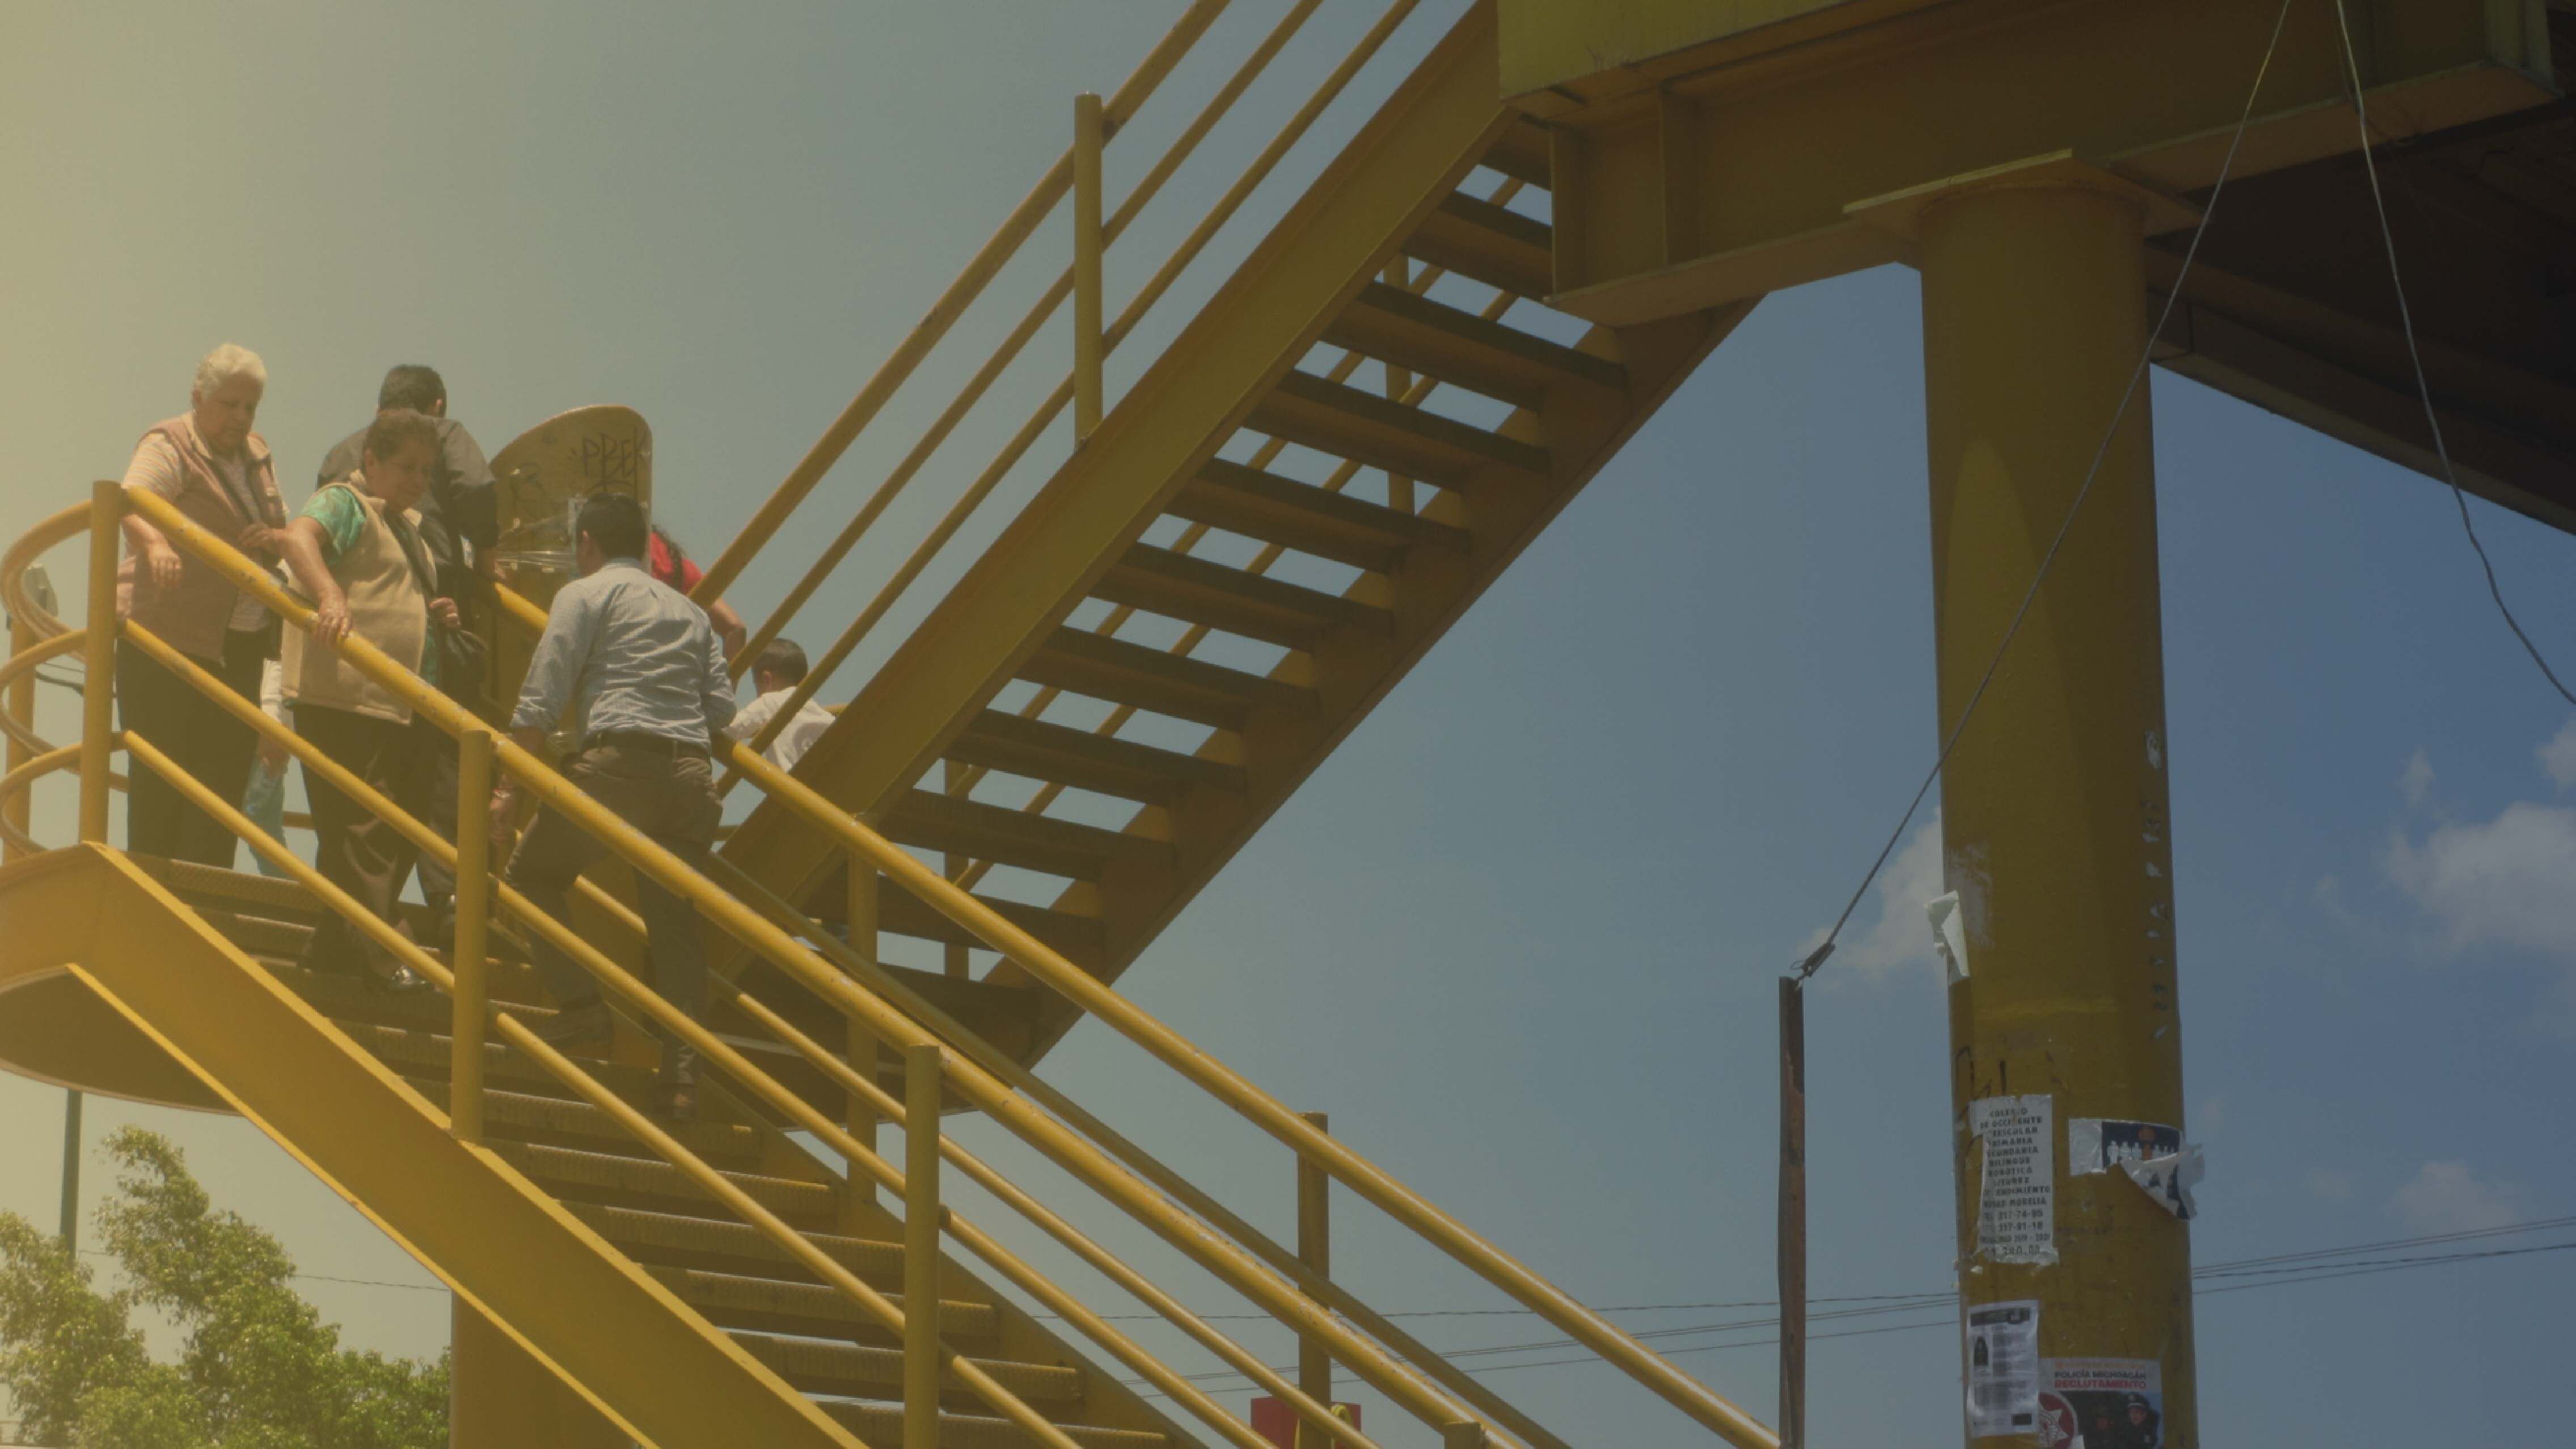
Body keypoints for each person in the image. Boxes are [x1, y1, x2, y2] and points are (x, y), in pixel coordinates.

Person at [496, 493, 733, 1119]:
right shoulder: (693, 614)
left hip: (619, 763)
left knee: (529, 876)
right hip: (690, 775)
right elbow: (722, 712)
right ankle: (682, 1082)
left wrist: (505, 788)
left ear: (586, 543)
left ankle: (583, 1010)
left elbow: (542, 695)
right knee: (676, 933)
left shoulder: (585, 594)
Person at [273, 409, 457, 992]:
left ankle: (332, 944)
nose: (417, 480)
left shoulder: (413, 530)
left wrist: (435, 614)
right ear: (371, 461)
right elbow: (297, 538)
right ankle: (386, 952)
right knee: (364, 826)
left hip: (404, 705)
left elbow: (392, 591)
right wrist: (329, 593)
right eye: (405, 466)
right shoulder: (344, 502)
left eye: (426, 470)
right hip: (347, 697)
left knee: (395, 830)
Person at [318, 365, 495, 942]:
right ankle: (448, 899)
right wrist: (487, 563)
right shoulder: (441, 436)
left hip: (353, 626)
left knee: (358, 784)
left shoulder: (338, 455)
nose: (418, 476)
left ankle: (337, 920)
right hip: (424, 605)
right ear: (435, 406)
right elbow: (476, 489)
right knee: (439, 763)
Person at [114, 343, 291, 865]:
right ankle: (152, 914)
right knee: (161, 784)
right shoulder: (171, 442)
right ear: (198, 397)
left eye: (250, 407)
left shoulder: (257, 455)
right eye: (229, 403)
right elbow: (132, 499)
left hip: (239, 648)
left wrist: (272, 542)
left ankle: (206, 913)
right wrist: (155, 543)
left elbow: (281, 527)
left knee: (219, 792)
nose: (240, 417)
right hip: (166, 637)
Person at [724, 639, 835, 772]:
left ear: (766, 680)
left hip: (793, 786)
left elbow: (730, 730)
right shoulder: (823, 715)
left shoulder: (770, 702)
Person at [644, 523, 749, 661]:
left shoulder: (615, 557)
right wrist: (728, 682)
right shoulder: (678, 566)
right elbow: (735, 628)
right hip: (673, 674)